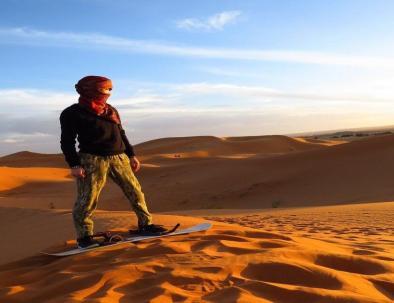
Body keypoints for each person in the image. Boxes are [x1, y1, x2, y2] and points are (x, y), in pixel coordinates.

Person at [60, 75, 166, 248]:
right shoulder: (72, 113)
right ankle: (85, 238)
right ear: (90, 89)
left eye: (110, 89)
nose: (109, 92)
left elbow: (121, 133)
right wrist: (74, 164)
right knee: (87, 199)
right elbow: (67, 142)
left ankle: (145, 225)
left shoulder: (111, 110)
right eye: (105, 88)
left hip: (120, 158)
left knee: (135, 192)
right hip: (92, 160)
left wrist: (131, 155)